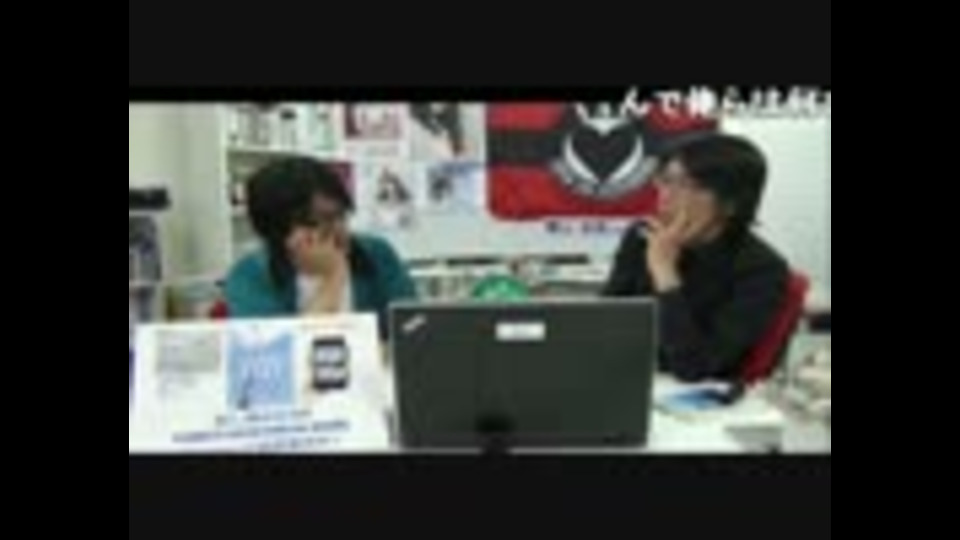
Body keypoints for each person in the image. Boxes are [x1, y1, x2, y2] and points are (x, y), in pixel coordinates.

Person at [603, 133, 790, 383]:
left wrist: (665, 273)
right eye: (665, 180)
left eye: (686, 185)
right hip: (627, 379)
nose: (666, 195)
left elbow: (695, 367)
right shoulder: (642, 237)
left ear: (731, 203)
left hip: (700, 398)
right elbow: (605, 326)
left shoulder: (761, 270)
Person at [224, 157, 418, 338]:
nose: (338, 228)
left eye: (341, 215)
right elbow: (279, 351)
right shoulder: (250, 275)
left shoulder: (376, 254)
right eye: (321, 221)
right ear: (279, 230)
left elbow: (413, 327)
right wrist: (334, 276)